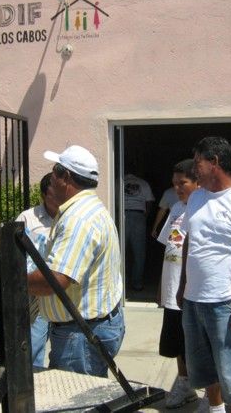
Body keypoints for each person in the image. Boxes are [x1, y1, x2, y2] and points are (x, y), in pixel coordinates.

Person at [178, 137, 231, 413]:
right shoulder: (197, 198)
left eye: (197, 162)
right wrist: (183, 286)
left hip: (225, 303)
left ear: (214, 162)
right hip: (194, 301)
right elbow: (190, 243)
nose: (194, 169)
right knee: (204, 373)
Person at [28, 145, 124, 378]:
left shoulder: (78, 219)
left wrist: (7, 282)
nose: (49, 179)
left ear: (66, 178)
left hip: (79, 335)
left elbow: (55, 280)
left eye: (54, 173)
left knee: (77, 402)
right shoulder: (88, 208)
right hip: (85, 329)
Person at [156, 159, 199, 409]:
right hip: (173, 291)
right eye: (174, 184)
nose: (177, 188)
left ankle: (214, 396)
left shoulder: (202, 209)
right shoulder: (176, 209)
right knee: (177, 344)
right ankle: (185, 385)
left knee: (198, 344)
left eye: (182, 183)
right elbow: (169, 250)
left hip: (192, 292)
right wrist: (163, 290)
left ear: (197, 182)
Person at [15, 172, 59, 368]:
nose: (59, 198)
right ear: (44, 195)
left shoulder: (71, 217)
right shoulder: (27, 218)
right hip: (37, 296)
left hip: (64, 293)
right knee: (33, 349)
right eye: (53, 193)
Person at [124, 168, 154, 291]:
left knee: (120, 251)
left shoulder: (117, 181)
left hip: (122, 215)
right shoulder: (143, 183)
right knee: (139, 252)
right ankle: (137, 283)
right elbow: (149, 201)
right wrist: (144, 216)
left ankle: (120, 283)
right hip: (138, 215)